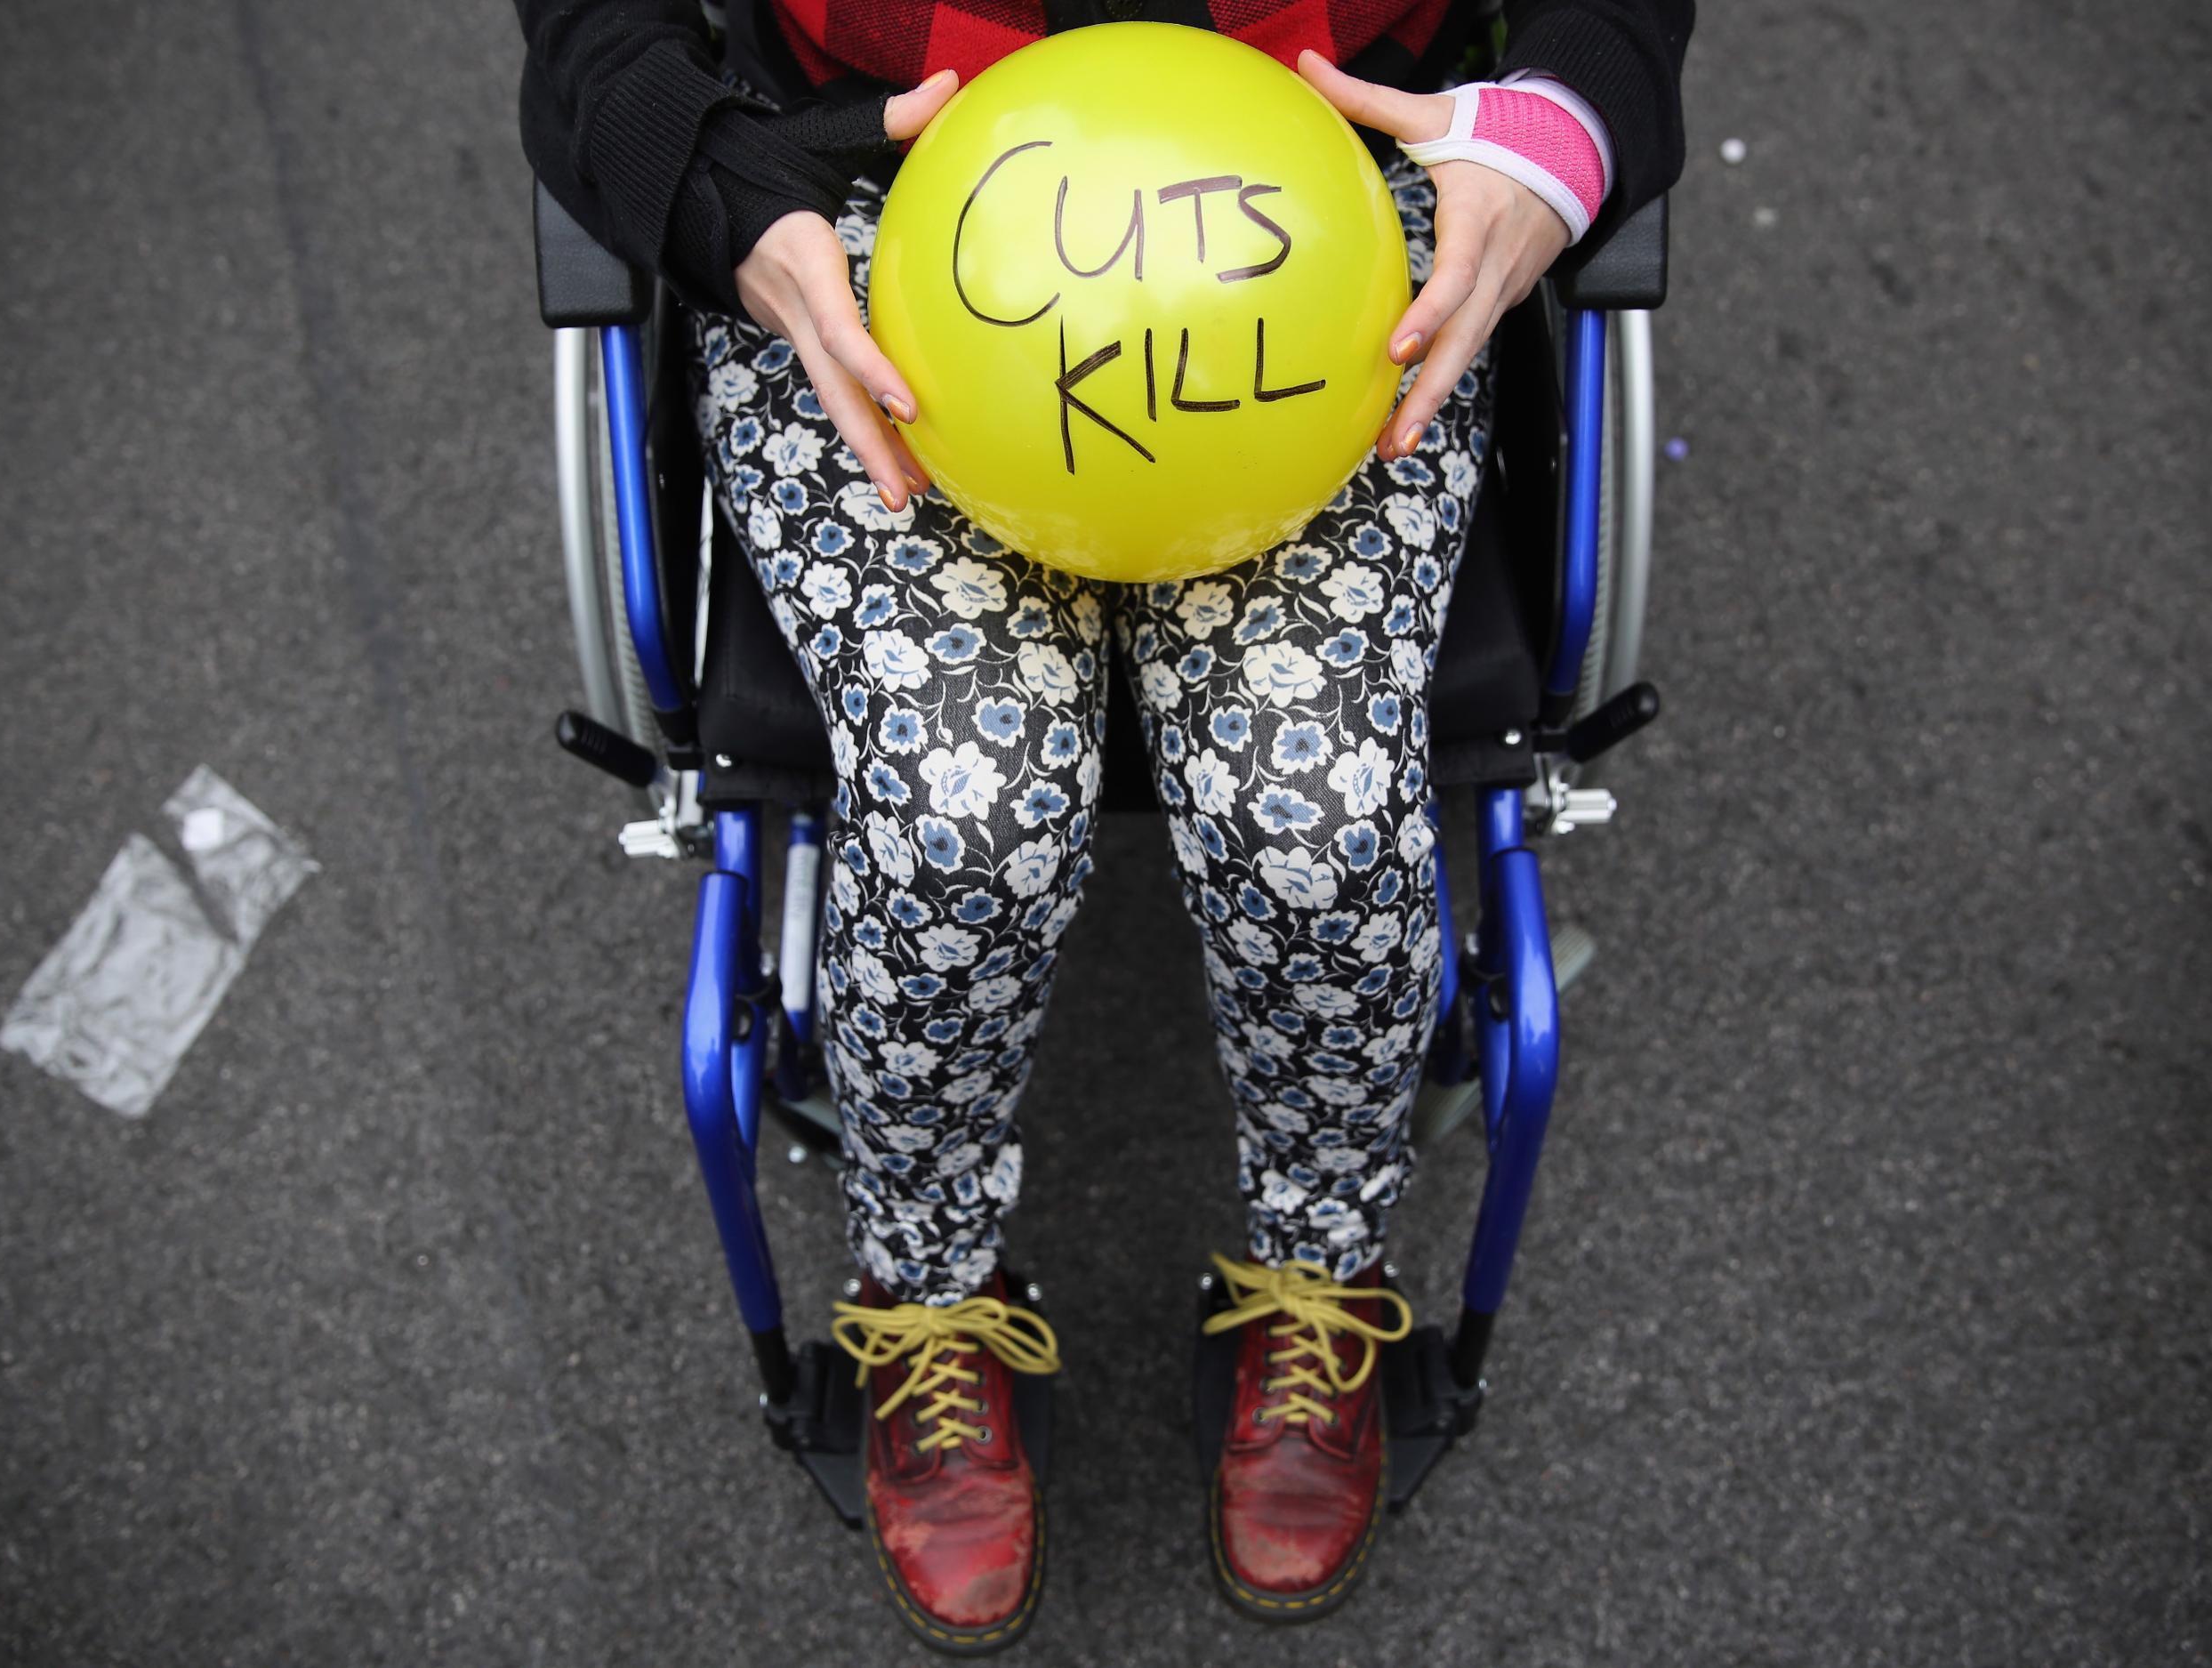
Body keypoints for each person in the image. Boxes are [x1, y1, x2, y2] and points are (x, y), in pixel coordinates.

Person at [517, 0, 1690, 1648]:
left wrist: (1569, 117)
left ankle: (1316, 1272)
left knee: (1319, 814)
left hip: (1324, 206)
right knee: (959, 819)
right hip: (864, 197)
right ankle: (926, 1295)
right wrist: (708, 176)